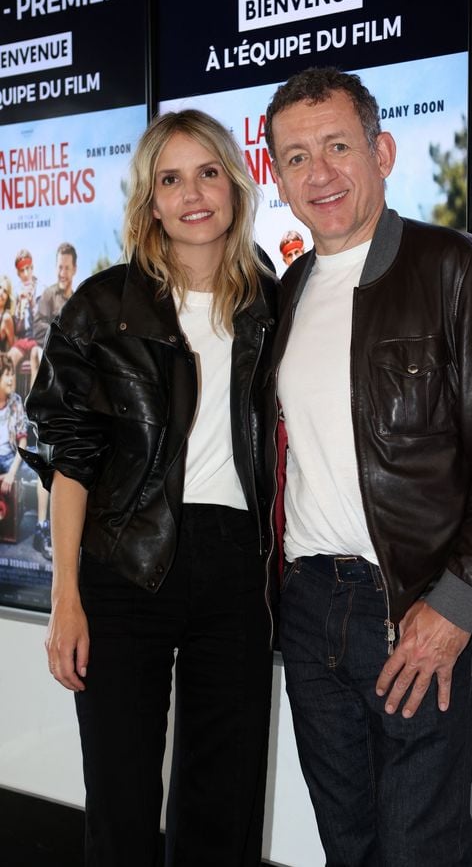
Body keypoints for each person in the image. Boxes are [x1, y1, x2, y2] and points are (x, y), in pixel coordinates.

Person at [262, 67, 472, 866]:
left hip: (413, 610)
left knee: (420, 848)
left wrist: (455, 608)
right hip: (311, 608)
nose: (319, 173)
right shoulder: (287, 294)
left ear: (382, 152)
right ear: (278, 179)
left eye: (337, 146)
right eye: (296, 157)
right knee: (348, 847)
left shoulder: (453, 269)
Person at [22, 109, 278, 867]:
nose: (192, 194)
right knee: (122, 802)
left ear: (234, 185)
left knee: (223, 807)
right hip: (123, 563)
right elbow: (72, 460)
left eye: (208, 173)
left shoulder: (269, 301)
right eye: (171, 179)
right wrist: (66, 597)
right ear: (150, 201)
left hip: (236, 569)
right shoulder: (101, 307)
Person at [0, 352, 51, 557]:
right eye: (6, 374)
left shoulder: (16, 401)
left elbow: (22, 442)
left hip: (13, 458)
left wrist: (11, 473)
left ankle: (40, 530)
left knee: (42, 468)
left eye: (12, 374)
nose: (11, 379)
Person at [33, 242, 78, 346]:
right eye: (60, 267)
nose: (62, 273)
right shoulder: (48, 294)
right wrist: (62, 336)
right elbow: (38, 328)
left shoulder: (78, 301)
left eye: (67, 268)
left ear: (74, 270)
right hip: (50, 352)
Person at [10, 249, 42, 386]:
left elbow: (42, 324)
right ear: (18, 273)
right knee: (9, 359)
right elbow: (18, 331)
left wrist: (32, 302)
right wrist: (20, 309)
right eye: (22, 271)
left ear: (32, 268)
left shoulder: (42, 289)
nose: (26, 274)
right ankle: (11, 399)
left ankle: (33, 399)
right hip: (24, 340)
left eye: (28, 268)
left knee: (36, 356)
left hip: (38, 340)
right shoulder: (17, 293)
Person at [0, 275, 15, 353]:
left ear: (7, 297)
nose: (1, 293)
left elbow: (12, 349)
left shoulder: (6, 318)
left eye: (5, 291)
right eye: (0, 287)